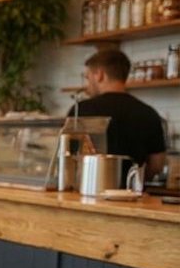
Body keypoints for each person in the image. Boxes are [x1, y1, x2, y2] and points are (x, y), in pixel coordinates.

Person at [69, 49, 167, 180]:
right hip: (133, 196)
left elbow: (68, 159)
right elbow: (156, 165)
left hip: (88, 191)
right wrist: (132, 183)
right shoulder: (148, 113)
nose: (87, 85)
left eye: (87, 77)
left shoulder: (81, 110)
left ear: (99, 75)